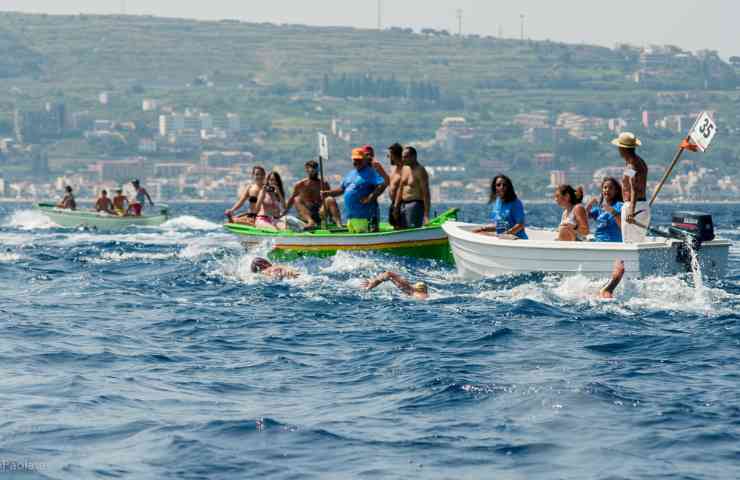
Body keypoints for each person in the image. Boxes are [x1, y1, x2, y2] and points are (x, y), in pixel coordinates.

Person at [322, 147, 387, 234]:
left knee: (366, 244)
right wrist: (327, 193)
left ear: (364, 160)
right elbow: (341, 190)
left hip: (365, 217)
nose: (357, 162)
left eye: (359, 160)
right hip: (351, 218)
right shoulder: (350, 174)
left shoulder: (370, 172)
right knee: (355, 245)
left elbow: (382, 184)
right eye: (355, 159)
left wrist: (370, 197)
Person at [612, 132, 649, 243]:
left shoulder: (632, 165)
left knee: (629, 243)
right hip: (640, 205)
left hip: (634, 207)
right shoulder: (638, 162)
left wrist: (631, 211)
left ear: (622, 149)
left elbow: (634, 188)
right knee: (637, 242)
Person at [284, 160, 342, 229]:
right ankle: (310, 222)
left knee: (330, 199)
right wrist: (283, 213)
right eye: (310, 169)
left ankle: (338, 224)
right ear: (306, 170)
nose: (312, 171)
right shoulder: (300, 185)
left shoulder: (324, 184)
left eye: (314, 169)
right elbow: (291, 200)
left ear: (318, 170)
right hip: (307, 213)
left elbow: (330, 201)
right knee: (296, 199)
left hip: (320, 213)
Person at [473, 175, 528, 239]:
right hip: (503, 238)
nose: (501, 187)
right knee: (478, 233)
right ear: (495, 187)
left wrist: (506, 234)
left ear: (508, 187)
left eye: (504, 185)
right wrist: (483, 229)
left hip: (517, 239)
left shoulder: (515, 203)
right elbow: (499, 226)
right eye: (498, 185)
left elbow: (520, 225)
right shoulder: (497, 202)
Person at [393, 146, 431, 229]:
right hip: (402, 204)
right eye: (402, 157)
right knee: (400, 229)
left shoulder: (420, 171)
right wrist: (396, 206)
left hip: (415, 205)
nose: (403, 159)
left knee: (412, 229)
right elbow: (400, 188)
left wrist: (426, 215)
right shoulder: (404, 168)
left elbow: (426, 193)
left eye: (405, 157)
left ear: (413, 157)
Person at [585, 177, 624, 242]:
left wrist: (612, 211)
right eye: (605, 187)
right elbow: (583, 217)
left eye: (611, 188)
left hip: (613, 244)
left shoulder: (620, 206)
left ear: (616, 191)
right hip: (598, 242)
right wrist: (590, 204)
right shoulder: (599, 208)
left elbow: (623, 225)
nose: (607, 190)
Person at [363, 145, 390, 232]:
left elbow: (385, 182)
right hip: (359, 204)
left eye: (371, 155)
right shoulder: (360, 167)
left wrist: (373, 195)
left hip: (372, 203)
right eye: (367, 155)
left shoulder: (376, 167)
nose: (369, 157)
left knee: (373, 227)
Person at [361, 271, 429, 300]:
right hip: (388, 276)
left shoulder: (411, 291)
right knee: (388, 275)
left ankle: (370, 283)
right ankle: (369, 285)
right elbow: (388, 274)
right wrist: (370, 286)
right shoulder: (410, 289)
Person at [386, 143, 405, 228]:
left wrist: (397, 207)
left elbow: (402, 188)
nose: (388, 157)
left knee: (401, 227)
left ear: (395, 155)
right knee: (394, 226)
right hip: (393, 203)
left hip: (401, 204)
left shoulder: (405, 169)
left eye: (389, 155)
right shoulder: (393, 168)